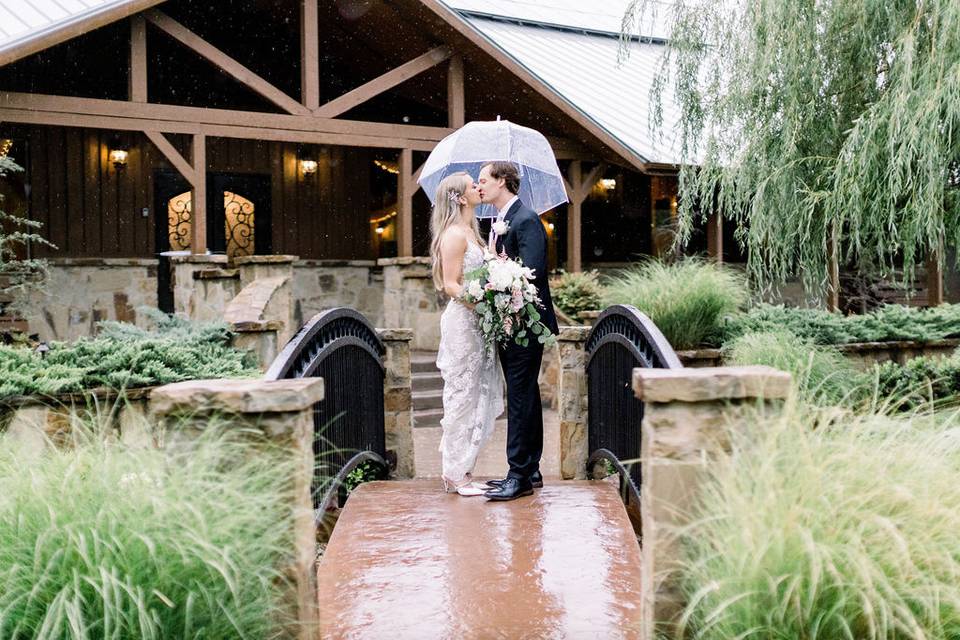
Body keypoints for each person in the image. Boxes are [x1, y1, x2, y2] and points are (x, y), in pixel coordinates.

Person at [477, 161, 559, 501]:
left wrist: (499, 276)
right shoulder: (499, 221)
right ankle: (532, 470)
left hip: (524, 323)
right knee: (526, 394)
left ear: (502, 182)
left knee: (521, 396)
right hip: (508, 321)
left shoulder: (526, 220)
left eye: (483, 180)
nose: (479, 186)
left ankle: (518, 475)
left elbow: (534, 272)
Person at [429, 172, 505, 496]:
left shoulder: (473, 233)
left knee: (479, 394)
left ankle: (465, 467)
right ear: (460, 198)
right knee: (461, 394)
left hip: (480, 325)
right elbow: (450, 285)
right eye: (472, 185)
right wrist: (483, 305)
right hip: (464, 322)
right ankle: (453, 473)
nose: (478, 187)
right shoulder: (454, 236)